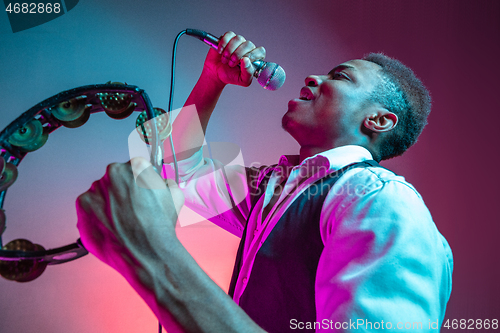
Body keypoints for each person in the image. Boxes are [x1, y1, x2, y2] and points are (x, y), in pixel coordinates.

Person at [76, 31, 453, 332]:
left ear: (379, 121)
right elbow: (177, 173)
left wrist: (153, 252)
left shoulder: (382, 203)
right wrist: (212, 80)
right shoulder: (277, 188)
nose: (313, 77)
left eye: (340, 76)